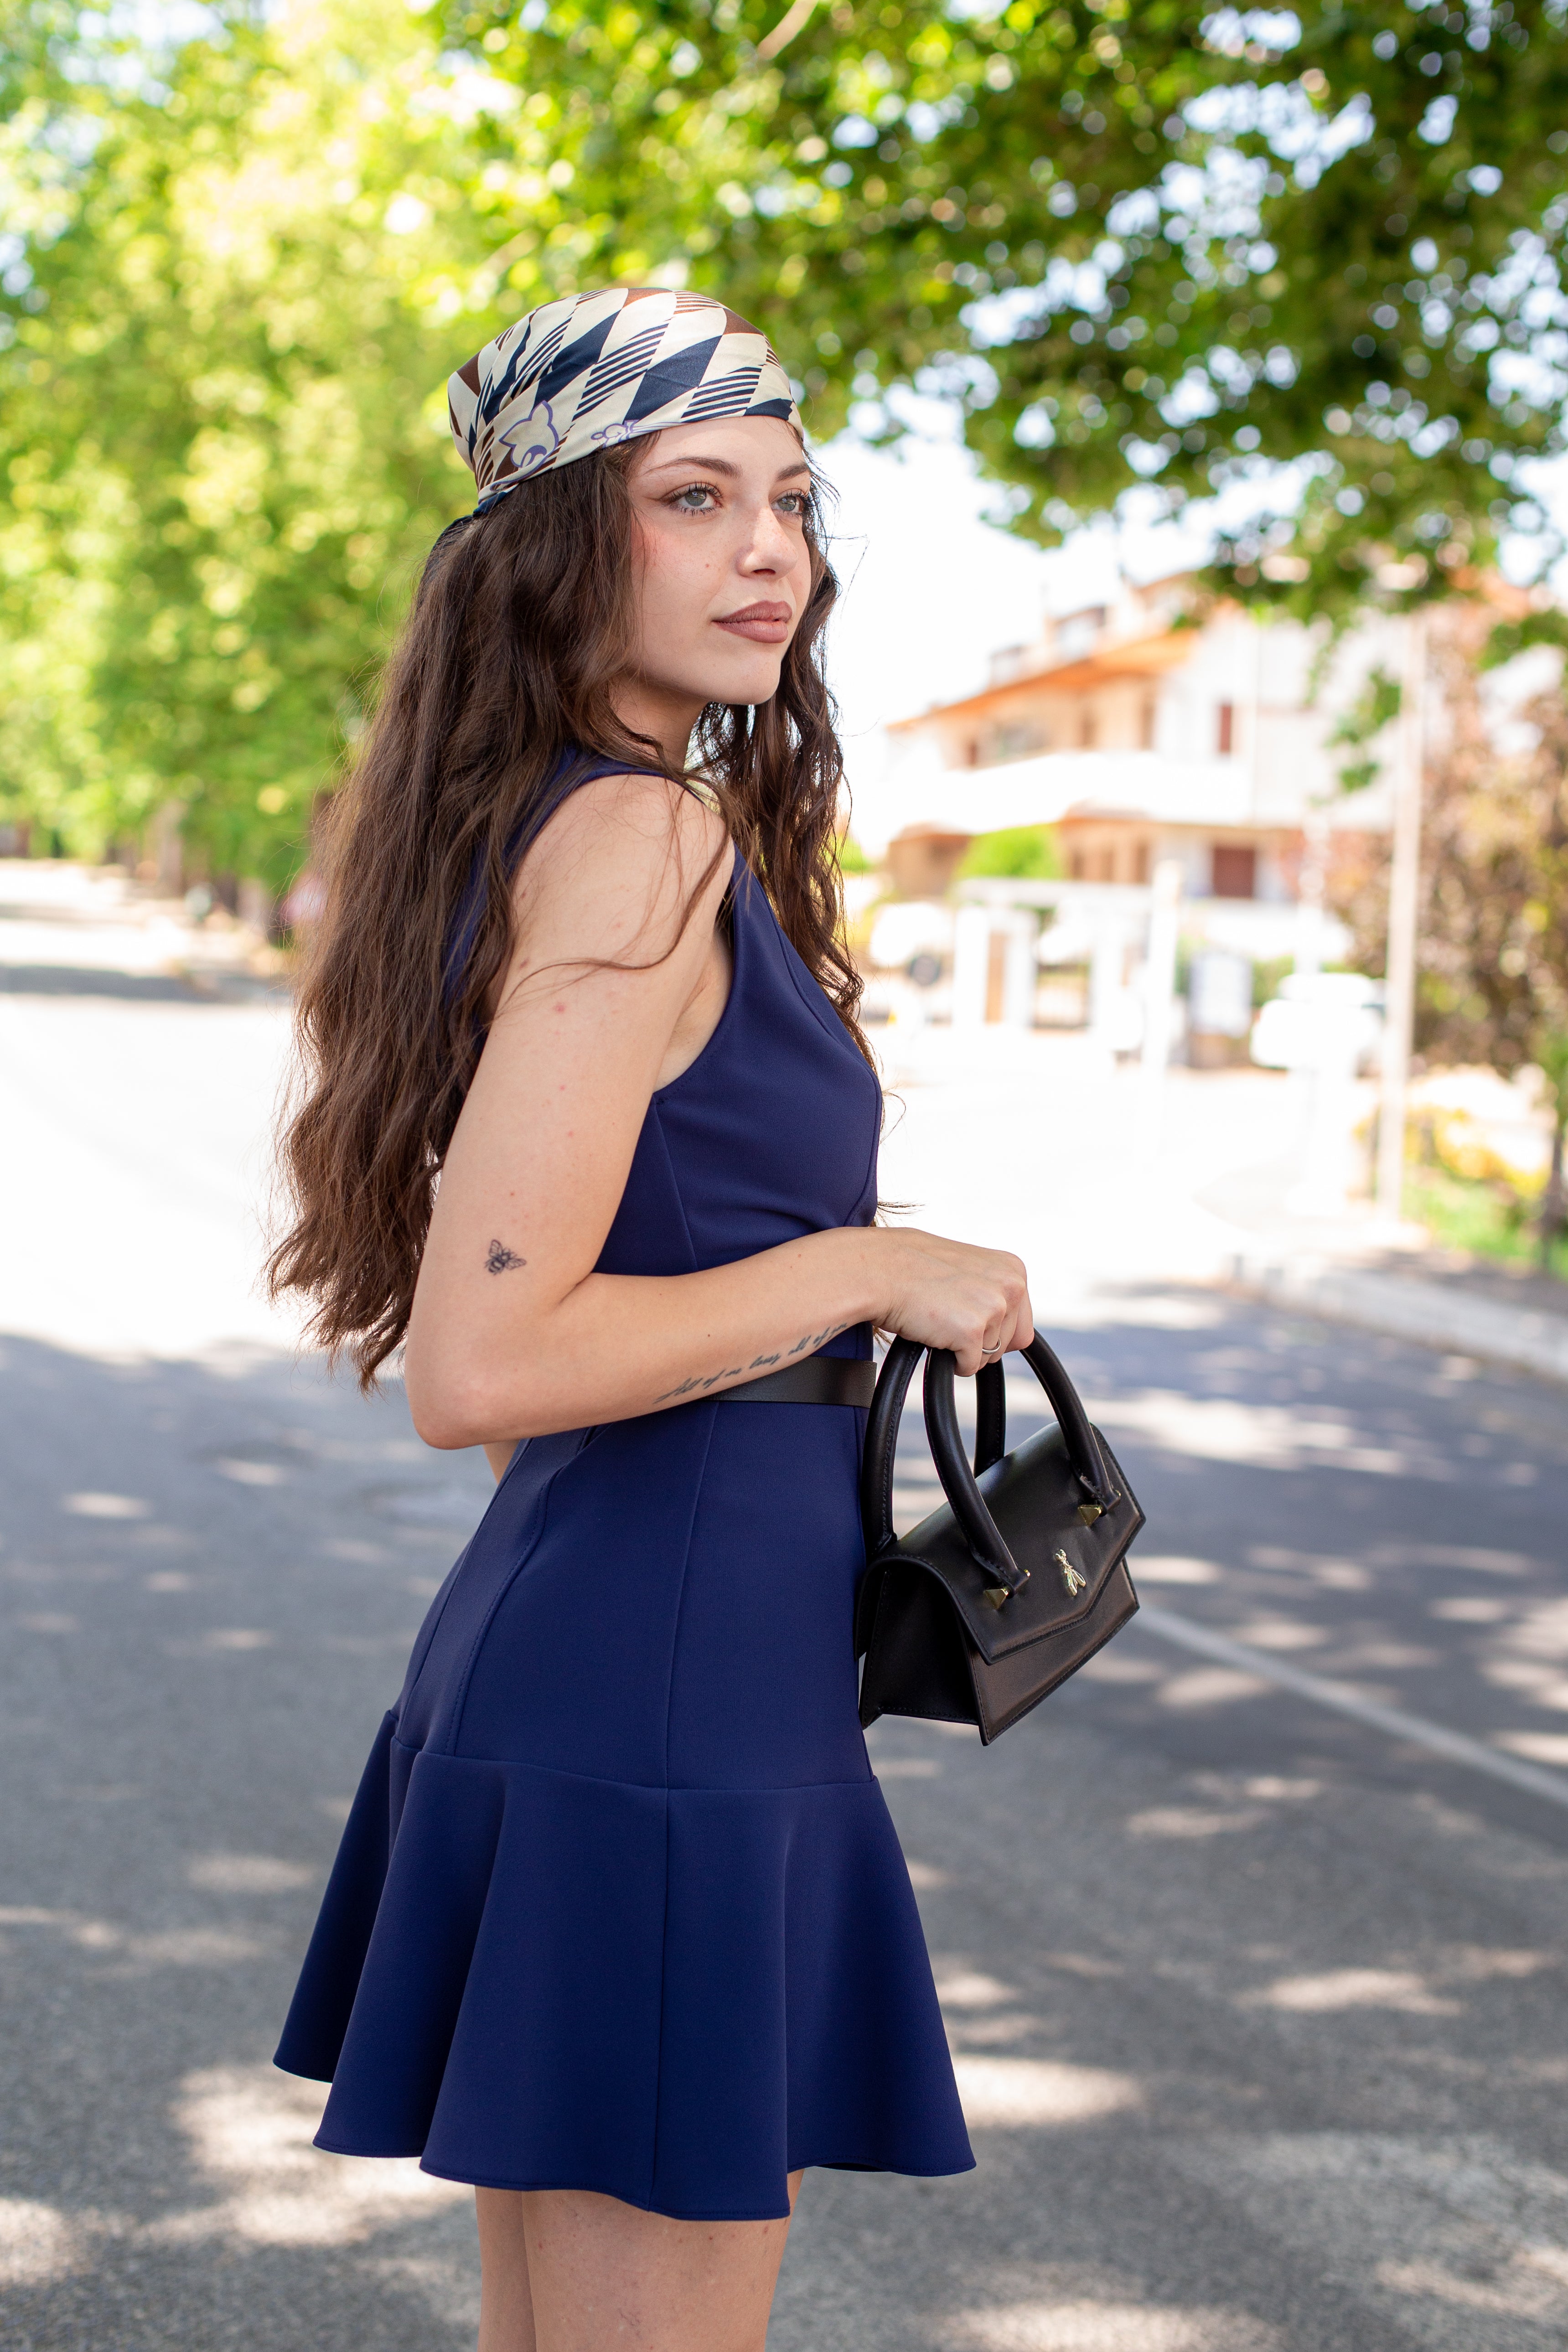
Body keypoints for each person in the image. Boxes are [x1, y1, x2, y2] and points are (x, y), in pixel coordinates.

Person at [267, 286, 1033, 2352]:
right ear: (554, 544)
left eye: (790, 500)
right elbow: (486, 1367)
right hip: (668, 1703)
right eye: (695, 498)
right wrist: (874, 1266)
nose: (769, 550)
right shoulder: (638, 837)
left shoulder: (564, 819)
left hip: (632, 1650)